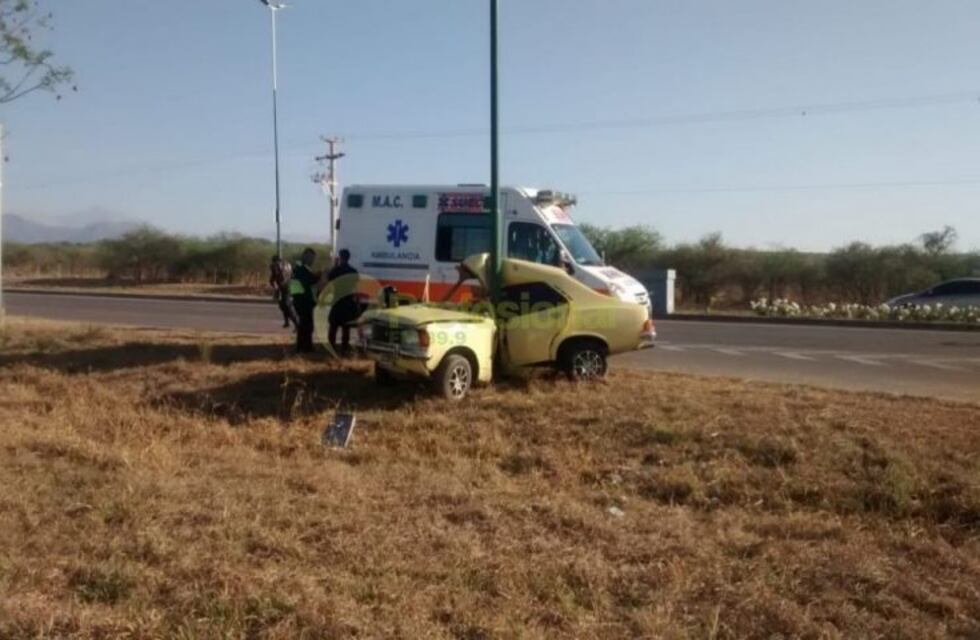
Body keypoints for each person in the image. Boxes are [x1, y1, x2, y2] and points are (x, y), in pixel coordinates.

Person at [326, 249, 360, 355]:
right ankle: (345, 348)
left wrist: (335, 265)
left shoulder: (336, 270)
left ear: (340, 257)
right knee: (346, 327)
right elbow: (356, 286)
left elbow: (329, 280)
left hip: (337, 300)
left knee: (333, 326)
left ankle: (331, 347)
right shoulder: (353, 271)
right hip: (348, 300)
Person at [289, 248, 321, 353]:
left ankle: (304, 346)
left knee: (305, 324)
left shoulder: (299, 267)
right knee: (306, 325)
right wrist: (321, 275)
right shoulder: (302, 268)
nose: (313, 260)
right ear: (306, 256)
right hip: (303, 301)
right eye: (312, 258)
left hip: (300, 299)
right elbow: (311, 281)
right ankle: (304, 347)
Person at [268, 255, 297, 329]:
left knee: (286, 305)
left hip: (286, 288)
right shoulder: (287, 265)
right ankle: (287, 322)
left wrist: (276, 287)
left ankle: (297, 324)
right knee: (283, 305)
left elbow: (273, 279)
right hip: (287, 287)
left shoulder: (277, 266)